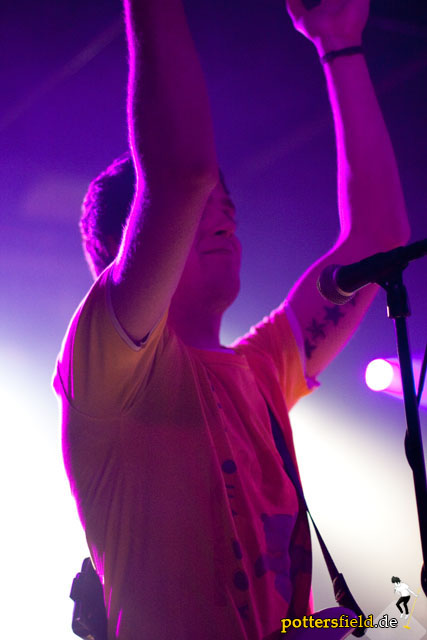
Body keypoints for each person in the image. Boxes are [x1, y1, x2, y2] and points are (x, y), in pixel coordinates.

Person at [53, 0, 410, 638]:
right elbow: (181, 174)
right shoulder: (108, 369)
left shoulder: (263, 368)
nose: (224, 214)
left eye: (229, 202)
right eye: (201, 207)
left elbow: (379, 240)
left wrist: (341, 44)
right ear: (123, 250)